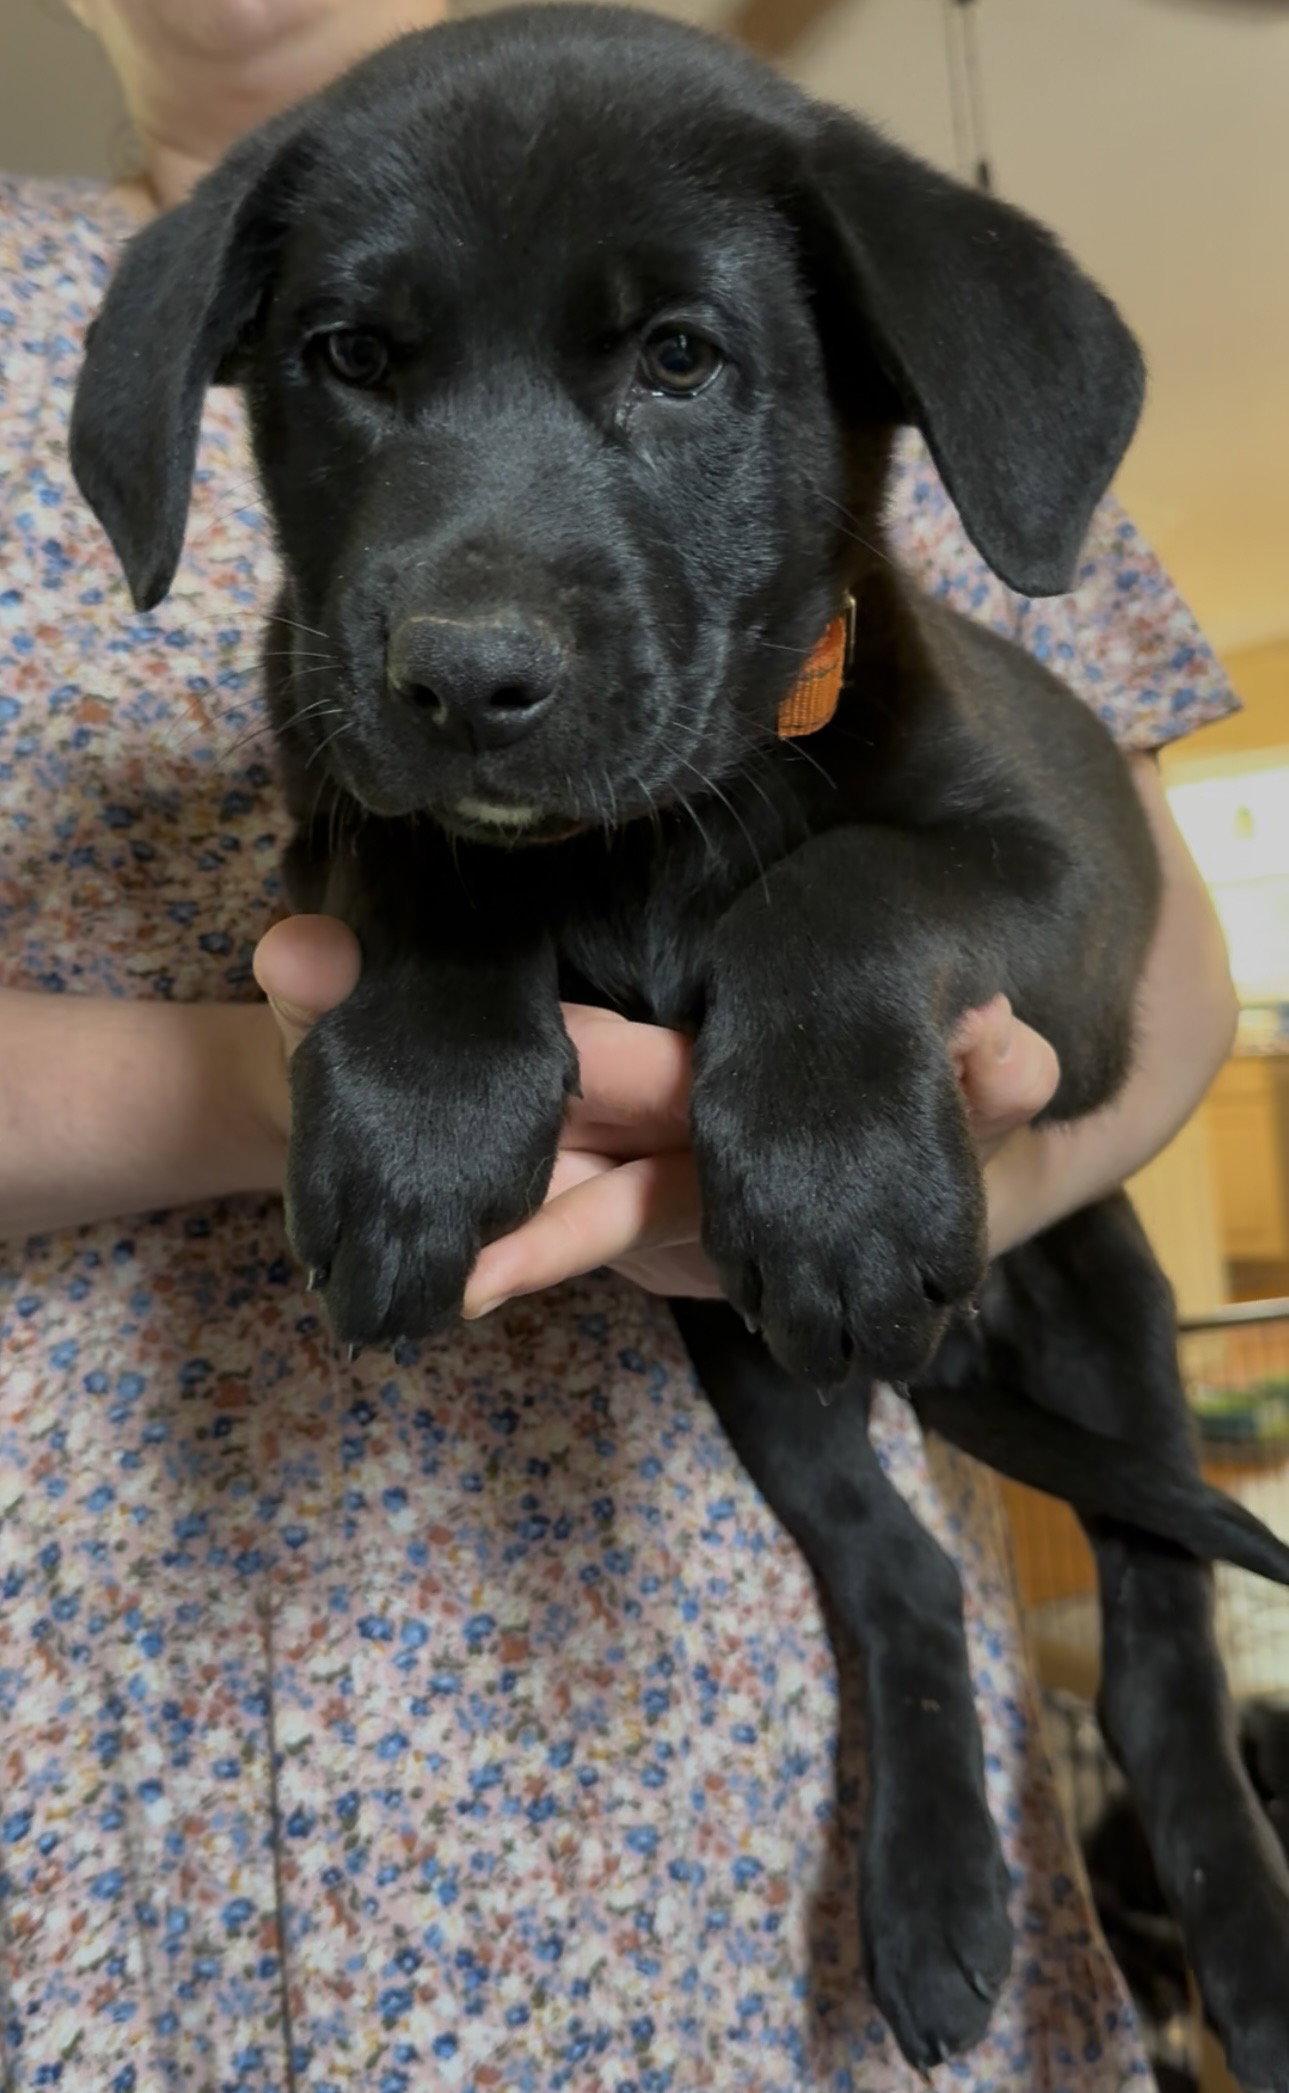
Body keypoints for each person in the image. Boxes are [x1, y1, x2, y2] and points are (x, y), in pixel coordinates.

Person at [0, 3, 1237, 2086]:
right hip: (119, 1705)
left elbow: (1154, 958)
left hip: (708, 1681)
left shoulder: (760, 187)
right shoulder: (105, 284)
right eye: (359, 364)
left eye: (674, 361)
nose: (473, 629)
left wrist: (909, 1172)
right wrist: (298, 1079)